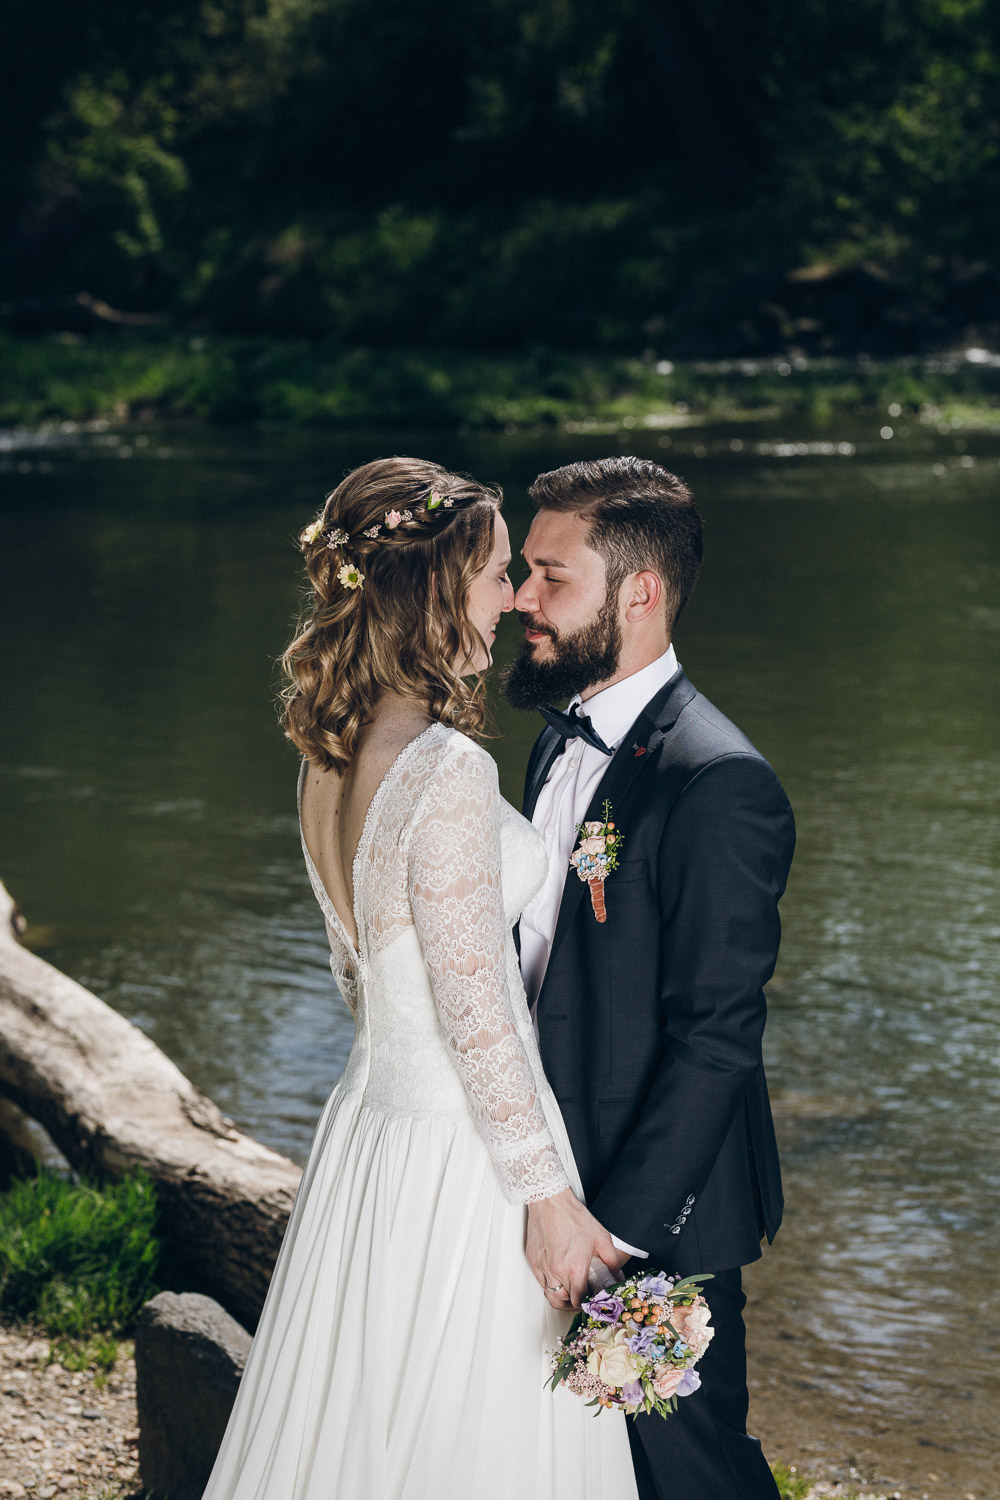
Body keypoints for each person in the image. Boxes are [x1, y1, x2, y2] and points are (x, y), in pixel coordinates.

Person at [201, 456, 639, 1500]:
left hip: (371, 1128)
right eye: (495, 572)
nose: (510, 598)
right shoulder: (446, 769)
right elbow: (476, 1015)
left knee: (364, 1420)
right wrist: (547, 1200)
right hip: (459, 1159)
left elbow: (368, 981)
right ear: (441, 587)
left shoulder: (331, 754)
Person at [505, 456, 796, 1500]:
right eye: (523, 573)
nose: (518, 600)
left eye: (550, 577)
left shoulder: (719, 783)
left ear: (639, 591)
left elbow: (716, 1039)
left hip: (654, 1210)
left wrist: (615, 1238)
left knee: (691, 1470)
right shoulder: (554, 743)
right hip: (550, 1186)